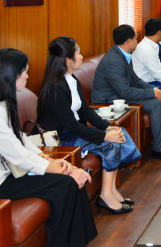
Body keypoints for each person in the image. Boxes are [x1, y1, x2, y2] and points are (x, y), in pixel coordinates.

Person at [0, 49, 96, 247]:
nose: (27, 76)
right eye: (24, 71)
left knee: (67, 184)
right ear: (12, 75)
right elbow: (19, 156)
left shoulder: (0, 102)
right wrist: (66, 170)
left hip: (3, 176)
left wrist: (49, 160)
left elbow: (21, 139)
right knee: (66, 182)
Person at [37, 36, 141, 215]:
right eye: (78, 53)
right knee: (110, 143)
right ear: (68, 60)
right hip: (59, 139)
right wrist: (105, 136)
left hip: (71, 132)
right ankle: (105, 196)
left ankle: (111, 191)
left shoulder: (72, 80)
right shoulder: (55, 87)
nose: (81, 57)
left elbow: (86, 111)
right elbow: (72, 126)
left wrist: (107, 128)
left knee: (119, 132)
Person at [91, 25, 161, 161]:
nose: (138, 42)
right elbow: (125, 91)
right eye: (136, 39)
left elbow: (135, 80)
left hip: (120, 95)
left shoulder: (123, 54)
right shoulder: (113, 61)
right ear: (129, 41)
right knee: (155, 103)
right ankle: (159, 149)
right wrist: (152, 93)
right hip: (109, 101)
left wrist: (154, 90)